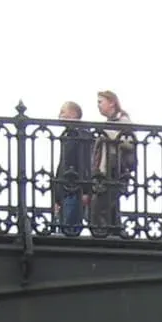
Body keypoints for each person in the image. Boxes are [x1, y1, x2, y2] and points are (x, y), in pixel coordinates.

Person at [88, 90, 137, 237]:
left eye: (100, 102)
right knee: (107, 202)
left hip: (115, 168)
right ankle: (113, 232)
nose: (98, 106)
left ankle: (107, 233)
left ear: (112, 103)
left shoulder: (123, 120)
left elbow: (129, 142)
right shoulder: (109, 122)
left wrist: (109, 135)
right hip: (105, 169)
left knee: (104, 202)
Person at [53, 100, 94, 236]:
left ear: (74, 114)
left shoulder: (82, 135)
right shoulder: (68, 135)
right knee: (64, 227)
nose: (60, 115)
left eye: (63, 112)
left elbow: (85, 163)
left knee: (69, 231)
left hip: (75, 190)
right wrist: (57, 197)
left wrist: (86, 190)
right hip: (66, 190)